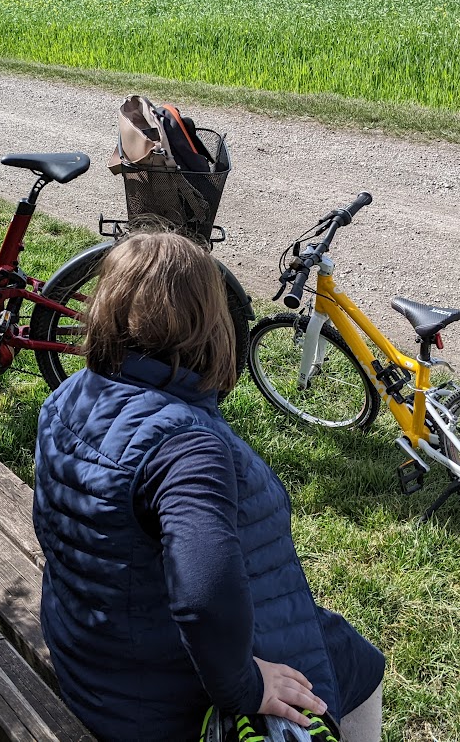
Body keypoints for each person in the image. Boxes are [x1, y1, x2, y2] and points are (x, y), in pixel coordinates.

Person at [33, 231, 384, 742]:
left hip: (94, 659)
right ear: (210, 323)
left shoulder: (68, 396)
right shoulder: (185, 448)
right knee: (358, 667)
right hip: (159, 702)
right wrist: (244, 686)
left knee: (349, 651)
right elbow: (203, 594)